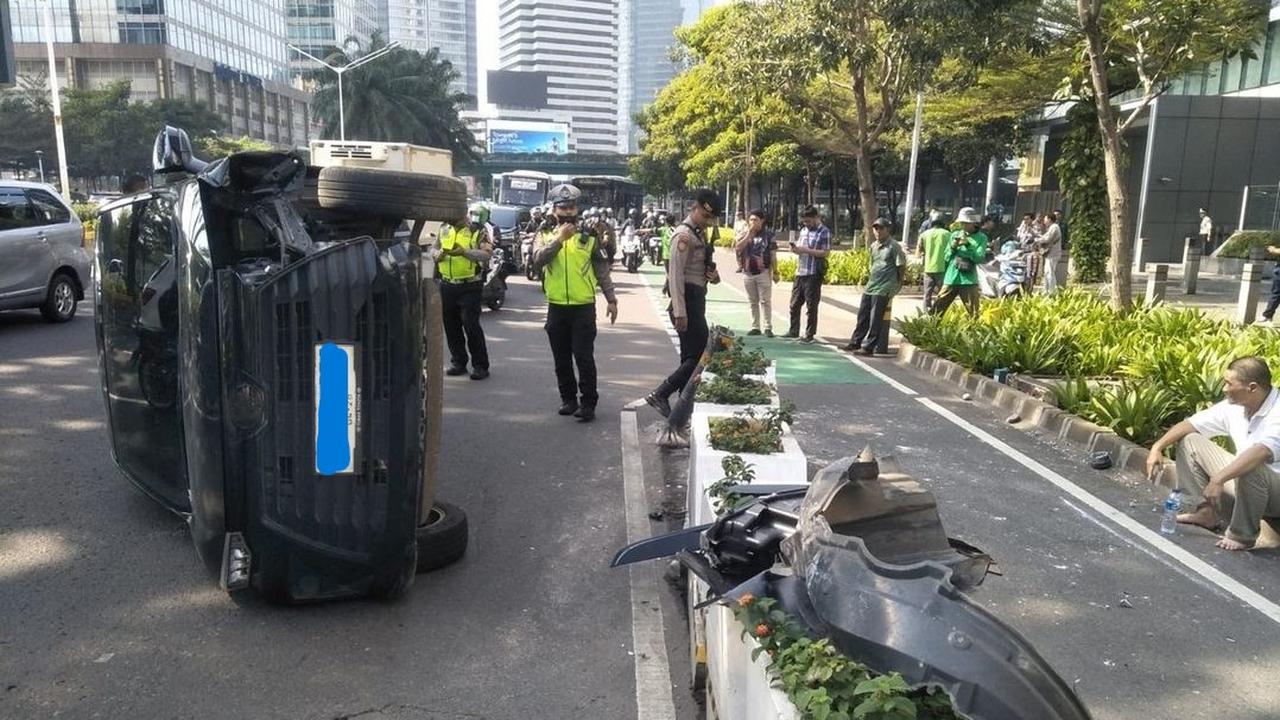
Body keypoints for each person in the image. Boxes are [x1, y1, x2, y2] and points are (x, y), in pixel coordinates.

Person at [1145, 357, 1280, 551]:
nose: (1224, 389)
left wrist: (1218, 479)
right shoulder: (1234, 406)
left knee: (1251, 465)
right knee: (1191, 440)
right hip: (1248, 483)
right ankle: (1204, 512)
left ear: (1252, 387)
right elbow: (1190, 424)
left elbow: (1261, 452)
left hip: (1274, 491)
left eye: (1229, 384)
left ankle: (1242, 535)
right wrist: (1157, 447)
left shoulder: (1277, 412)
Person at [532, 184, 619, 422]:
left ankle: (588, 402)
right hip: (557, 306)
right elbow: (537, 261)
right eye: (563, 207)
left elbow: (602, 270)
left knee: (583, 356)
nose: (568, 212)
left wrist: (611, 300)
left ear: (577, 209)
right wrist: (559, 239)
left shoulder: (589, 236)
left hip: (583, 307)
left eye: (571, 207)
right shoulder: (545, 234)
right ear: (554, 209)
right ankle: (568, 399)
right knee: (561, 358)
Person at [644, 188, 723, 418]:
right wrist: (680, 312)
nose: (708, 221)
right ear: (694, 208)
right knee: (702, 356)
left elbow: (703, 272)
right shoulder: (684, 236)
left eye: (711, 218)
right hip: (686, 301)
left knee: (689, 358)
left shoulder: (699, 235)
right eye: (705, 216)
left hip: (696, 299)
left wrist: (713, 275)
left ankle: (681, 410)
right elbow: (675, 275)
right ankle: (661, 393)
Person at [434, 209, 493, 380]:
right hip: (447, 284)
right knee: (451, 326)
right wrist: (437, 255)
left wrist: (464, 252)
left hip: (470, 285)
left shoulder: (476, 230)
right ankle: (458, 362)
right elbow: (434, 247)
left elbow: (486, 255)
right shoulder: (444, 228)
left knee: (471, 325)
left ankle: (480, 366)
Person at [843, 218, 904, 356]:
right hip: (872, 284)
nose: (878, 231)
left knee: (875, 318)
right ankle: (855, 342)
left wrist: (898, 283)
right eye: (875, 228)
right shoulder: (873, 246)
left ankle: (869, 346)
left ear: (888, 229)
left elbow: (901, 266)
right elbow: (872, 263)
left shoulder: (894, 246)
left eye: (881, 228)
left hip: (884, 286)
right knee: (863, 315)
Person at [931, 206, 987, 317]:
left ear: (974, 223)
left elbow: (979, 258)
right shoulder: (955, 235)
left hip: (968, 280)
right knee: (937, 309)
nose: (963, 226)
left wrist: (968, 245)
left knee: (974, 312)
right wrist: (953, 247)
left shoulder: (982, 238)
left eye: (966, 223)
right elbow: (946, 257)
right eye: (962, 223)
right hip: (952, 277)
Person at [786, 206, 831, 343]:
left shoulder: (824, 232)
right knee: (794, 304)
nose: (806, 224)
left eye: (808, 221)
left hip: (813, 272)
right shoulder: (804, 231)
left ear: (816, 217)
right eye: (804, 222)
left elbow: (825, 253)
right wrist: (796, 249)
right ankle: (793, 330)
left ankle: (809, 334)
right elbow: (800, 249)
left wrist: (807, 250)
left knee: (811, 305)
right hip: (801, 271)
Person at [735, 208, 778, 337]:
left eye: (755, 220)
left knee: (765, 301)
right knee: (752, 301)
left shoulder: (769, 235)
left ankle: (768, 327)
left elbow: (773, 255)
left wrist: (775, 271)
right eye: (751, 220)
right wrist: (749, 233)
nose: (752, 222)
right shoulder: (745, 233)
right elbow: (738, 248)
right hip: (748, 273)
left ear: (762, 221)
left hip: (763, 272)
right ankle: (755, 326)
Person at [916, 212, 951, 312]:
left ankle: (926, 313)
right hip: (943, 268)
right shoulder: (948, 234)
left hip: (928, 268)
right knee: (942, 293)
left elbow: (919, 251)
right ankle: (939, 312)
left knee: (927, 294)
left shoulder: (924, 234)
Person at [1037, 212, 1063, 294]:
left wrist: (1037, 240)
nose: (1044, 221)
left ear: (1049, 219)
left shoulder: (1054, 227)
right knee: (1047, 272)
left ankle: (1052, 292)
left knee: (1050, 272)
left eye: (1045, 219)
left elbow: (1047, 239)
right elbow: (1045, 237)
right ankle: (1047, 290)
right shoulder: (1052, 227)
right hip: (1050, 254)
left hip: (1053, 254)